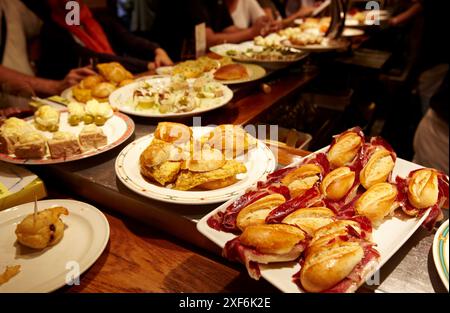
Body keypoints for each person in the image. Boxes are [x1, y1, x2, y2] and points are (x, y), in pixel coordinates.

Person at [22, 0, 172, 80]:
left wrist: (157, 50)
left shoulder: (96, 20)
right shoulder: (52, 31)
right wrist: (148, 65)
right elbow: (94, 59)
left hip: (110, 84)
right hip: (66, 97)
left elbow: (129, 39)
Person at [0, 0, 95, 106]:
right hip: (9, 107)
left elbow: (39, 31)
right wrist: (54, 87)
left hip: (28, 102)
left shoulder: (13, 5)